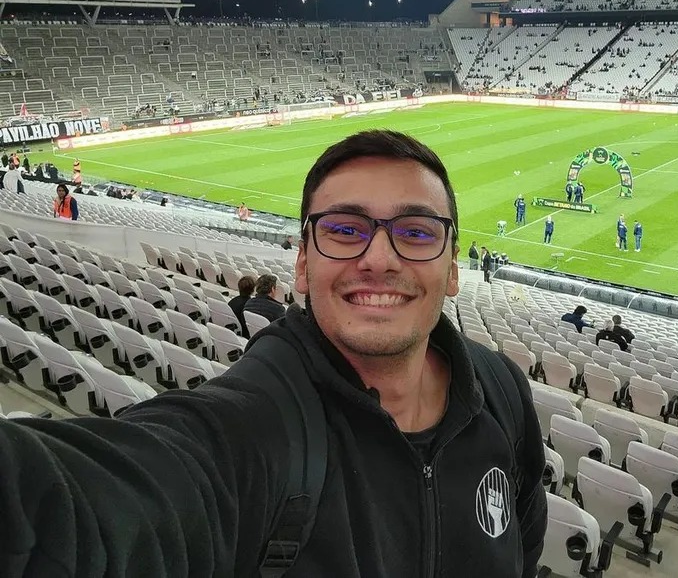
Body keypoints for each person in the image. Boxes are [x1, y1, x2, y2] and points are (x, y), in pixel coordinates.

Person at [0, 129, 548, 577]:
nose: (379, 258)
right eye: (343, 228)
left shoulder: (500, 390)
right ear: (303, 264)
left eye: (418, 231)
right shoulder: (252, 428)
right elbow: (87, 505)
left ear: (453, 268)